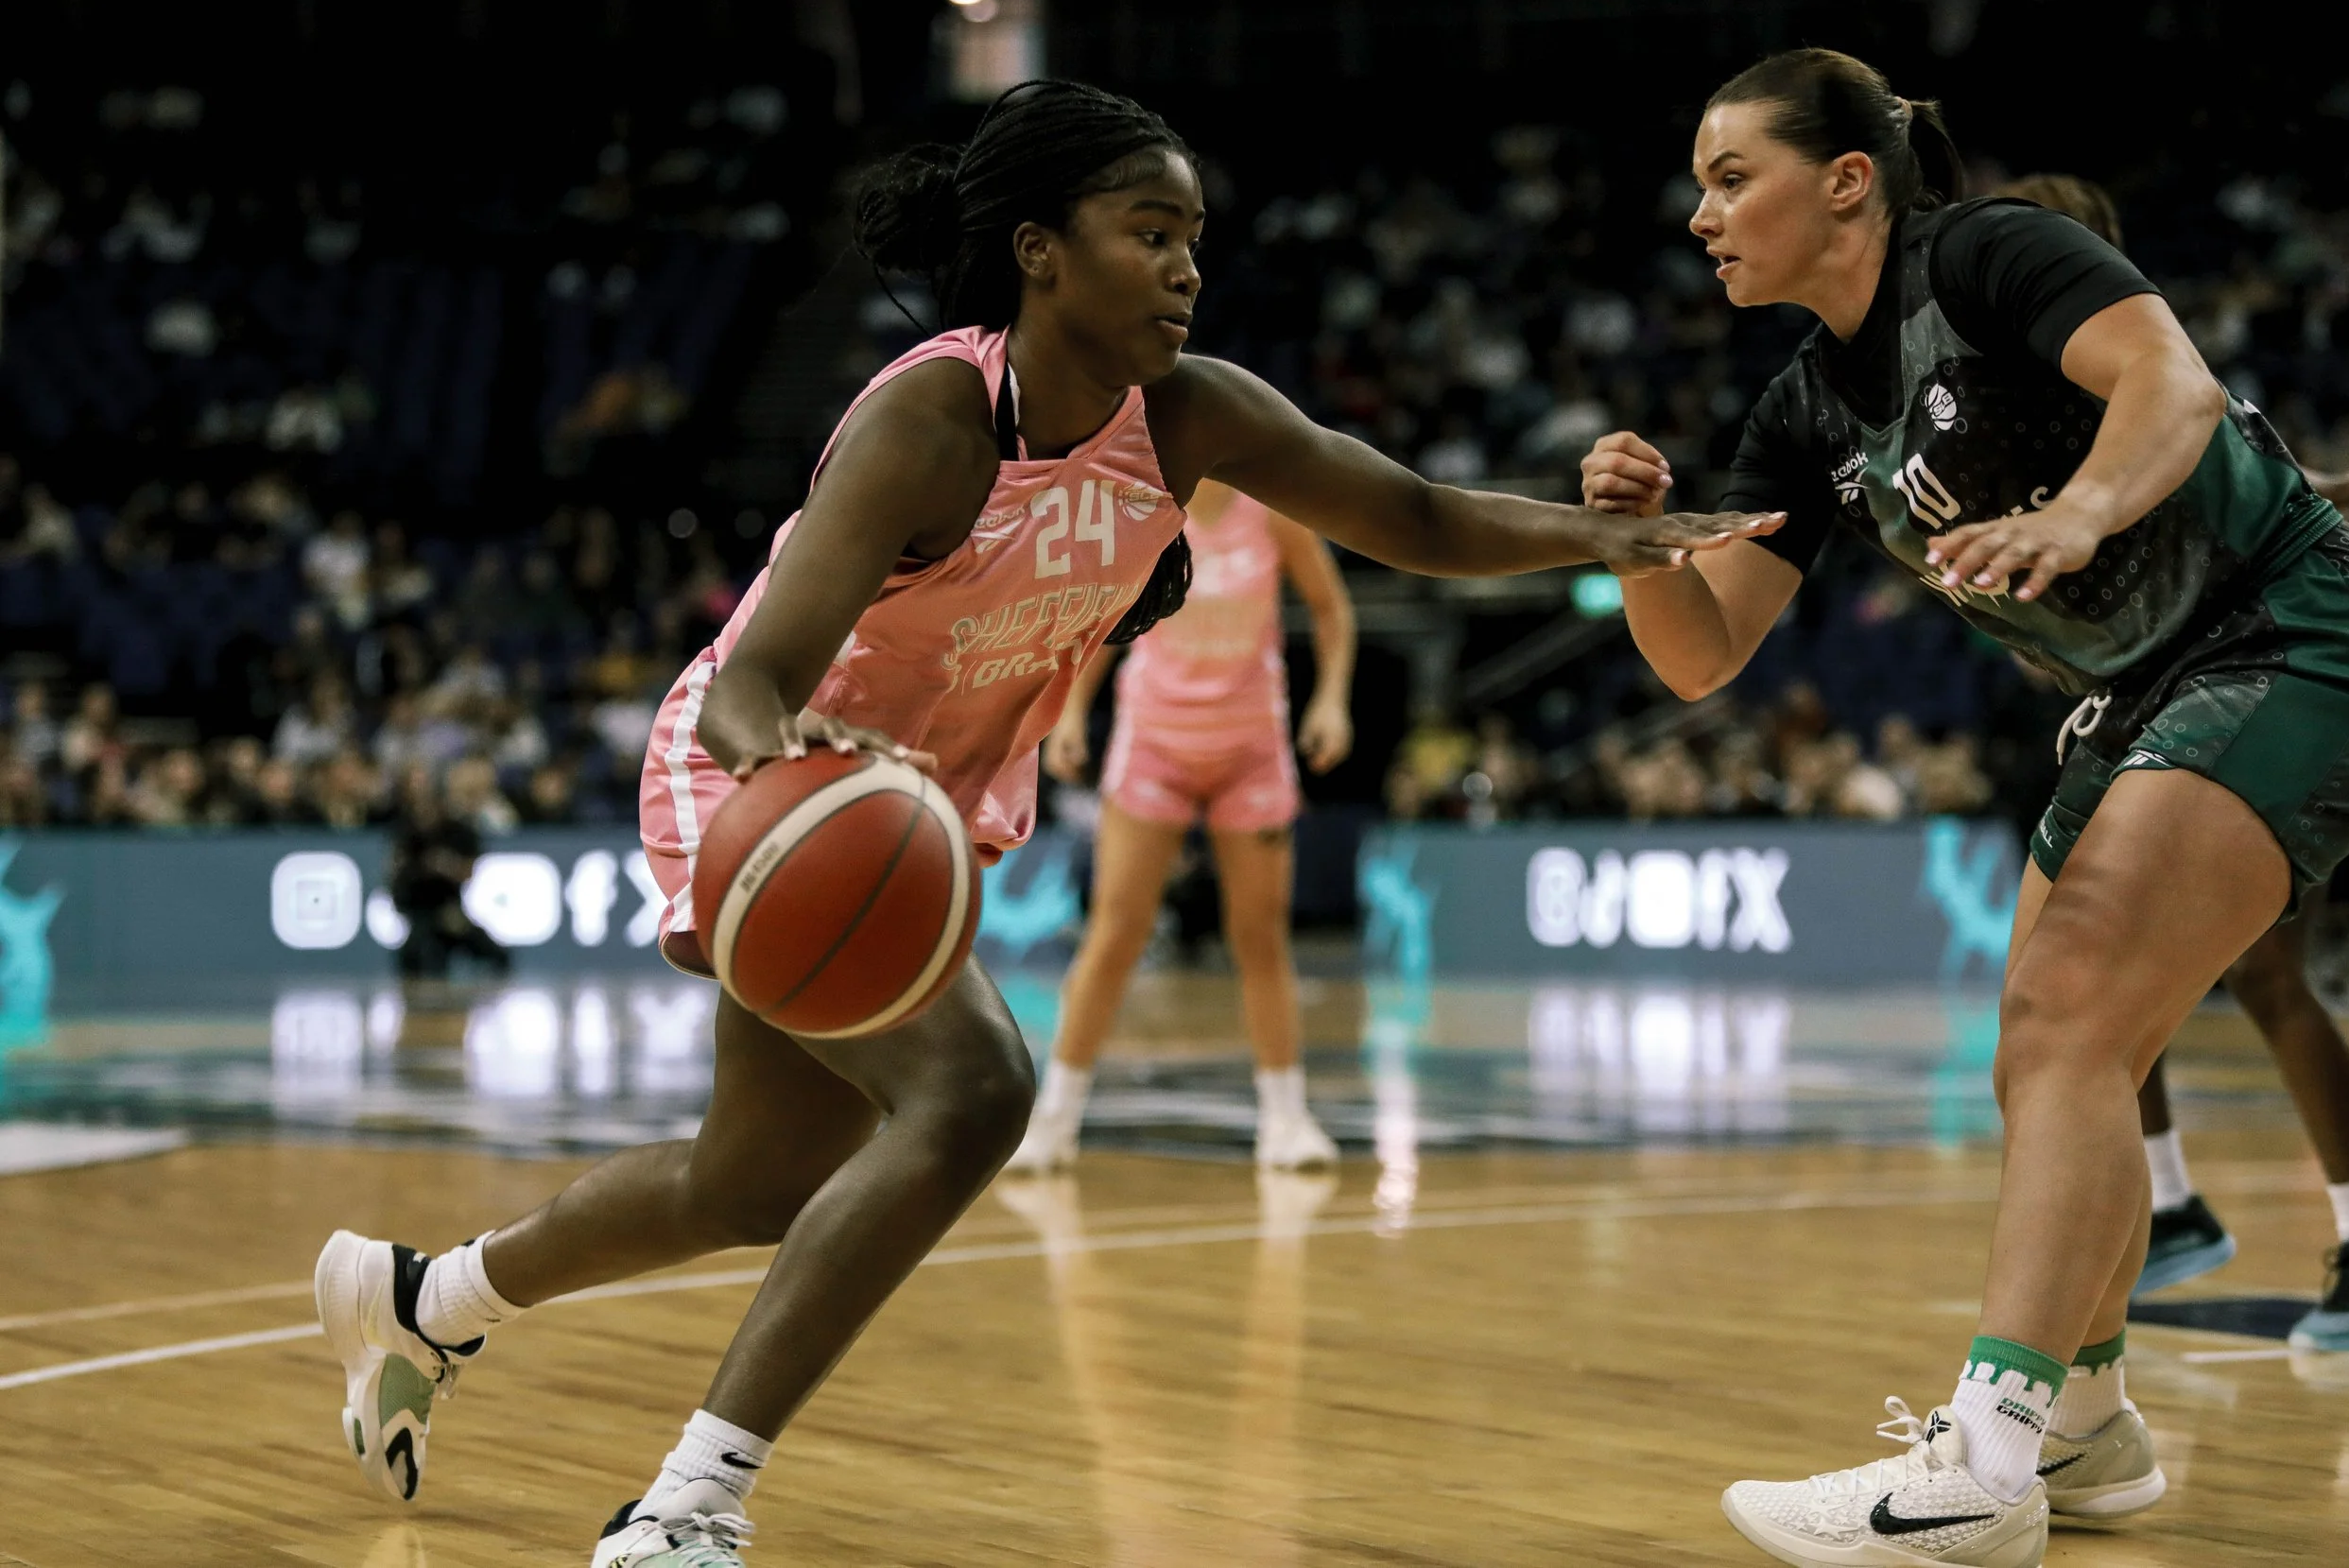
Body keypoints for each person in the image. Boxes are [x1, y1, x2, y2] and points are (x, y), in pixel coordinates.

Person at [314, 79, 1774, 1568]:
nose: (1188, 266)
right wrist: (789, 770)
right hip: (766, 777)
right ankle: (688, 1502)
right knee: (970, 1092)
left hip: (910, 807)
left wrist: (1600, 536)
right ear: (1039, 251)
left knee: (748, 1181)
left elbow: (1411, 514)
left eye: (1195, 235)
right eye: (1151, 231)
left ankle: (429, 1296)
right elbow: (752, 675)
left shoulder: (1192, 411)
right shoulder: (930, 418)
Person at [1581, 48, 2349, 1568]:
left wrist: (2077, 510)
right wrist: (1630, 549)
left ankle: (1985, 1462)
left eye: (1732, 176)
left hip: (2288, 630)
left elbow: (2173, 382)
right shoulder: (1806, 411)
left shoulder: (1991, 251)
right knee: (2058, 1042)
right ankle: (2086, 1422)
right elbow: (1705, 653)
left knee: (2072, 1012)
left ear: (1850, 181)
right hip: (2143, 690)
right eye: (1699, 185)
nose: (1701, 215)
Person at [1999, 173, 2349, 1348]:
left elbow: (2280, 512)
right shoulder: (2017, 415)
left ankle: (2344, 1230)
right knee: (2086, 989)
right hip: (2179, 700)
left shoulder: (2148, 395)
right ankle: (2166, 1201)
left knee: (2231, 981)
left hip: (2285, 689)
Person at [1010, 481, 1356, 1172]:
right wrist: (1073, 714)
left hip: (1252, 746)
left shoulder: (1275, 513)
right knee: (1114, 933)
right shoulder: (1148, 514)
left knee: (1260, 937)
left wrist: (1331, 702)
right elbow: (1107, 623)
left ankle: (1286, 1120)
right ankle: (1053, 1122)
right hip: (1154, 745)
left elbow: (1331, 609)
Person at [386, 765, 509, 980]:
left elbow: (467, 871)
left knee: (496, 953)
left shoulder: (459, 832)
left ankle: (487, 1000)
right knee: (421, 954)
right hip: (418, 913)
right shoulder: (406, 831)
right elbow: (394, 874)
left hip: (450, 910)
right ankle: (419, 1008)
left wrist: (446, 865)